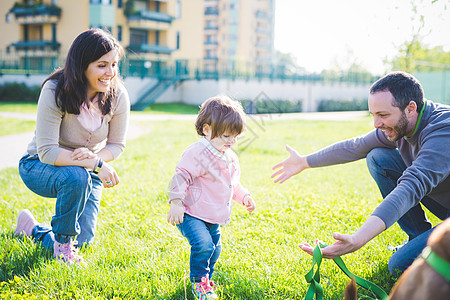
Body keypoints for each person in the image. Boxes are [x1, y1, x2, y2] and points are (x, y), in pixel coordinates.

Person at [271, 71, 450, 275]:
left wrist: (358, 238)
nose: (376, 124)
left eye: (383, 115)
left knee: (400, 265)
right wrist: (304, 161)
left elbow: (411, 187)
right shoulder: (403, 125)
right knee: (378, 157)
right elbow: (357, 146)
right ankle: (418, 236)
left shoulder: (443, 130)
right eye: (374, 115)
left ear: (410, 108)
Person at [14, 28, 130, 265]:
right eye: (102, 65)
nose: (111, 73)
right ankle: (64, 249)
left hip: (87, 172)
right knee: (76, 176)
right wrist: (95, 163)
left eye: (114, 64)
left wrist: (94, 161)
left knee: (85, 242)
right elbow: (46, 151)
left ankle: (33, 229)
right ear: (82, 65)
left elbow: (117, 144)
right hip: (39, 165)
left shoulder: (118, 95)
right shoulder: (55, 90)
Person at [167, 95, 256, 300]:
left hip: (213, 216)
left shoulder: (230, 157)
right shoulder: (198, 152)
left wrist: (245, 197)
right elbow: (181, 176)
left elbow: (232, 185)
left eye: (235, 136)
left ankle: (207, 280)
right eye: (226, 136)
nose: (231, 141)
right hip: (191, 213)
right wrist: (177, 202)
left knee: (215, 250)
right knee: (204, 244)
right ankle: (199, 283)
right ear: (206, 129)